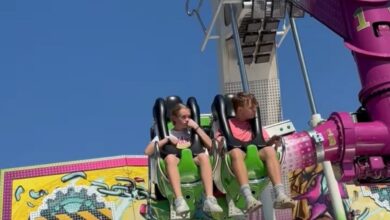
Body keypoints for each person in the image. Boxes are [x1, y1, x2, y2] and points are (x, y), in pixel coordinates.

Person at [215, 92, 295, 213]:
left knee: (269, 151)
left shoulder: (255, 126)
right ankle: (248, 197)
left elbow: (264, 143)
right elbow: (219, 140)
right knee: (236, 152)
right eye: (251, 108)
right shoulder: (227, 125)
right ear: (240, 109)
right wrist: (220, 142)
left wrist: (273, 141)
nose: (254, 110)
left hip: (255, 155)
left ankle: (280, 194)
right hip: (237, 157)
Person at [145, 103, 223, 215]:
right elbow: (147, 151)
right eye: (183, 117)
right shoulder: (168, 133)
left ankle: (210, 199)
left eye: (189, 117)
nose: (187, 120)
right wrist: (166, 140)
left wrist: (196, 127)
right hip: (176, 162)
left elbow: (211, 146)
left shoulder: (193, 133)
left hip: (193, 163)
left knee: (204, 157)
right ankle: (179, 200)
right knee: (170, 158)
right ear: (174, 118)